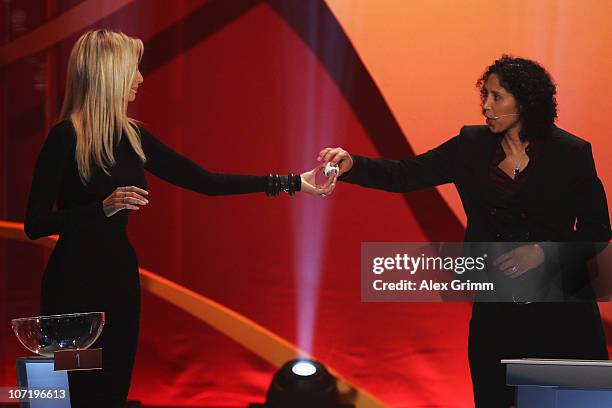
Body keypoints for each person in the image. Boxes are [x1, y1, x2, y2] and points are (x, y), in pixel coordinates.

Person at [23, 29, 335, 408]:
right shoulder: (65, 138)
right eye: (133, 70)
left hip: (118, 283)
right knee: (61, 397)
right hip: (72, 287)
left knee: (109, 393)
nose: (139, 79)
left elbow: (206, 182)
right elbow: (35, 223)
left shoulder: (134, 138)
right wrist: (99, 209)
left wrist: (293, 182)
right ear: (110, 74)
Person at [316, 55, 611, 407]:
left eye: (496, 97)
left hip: (562, 312)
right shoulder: (470, 145)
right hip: (498, 312)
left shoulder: (571, 153)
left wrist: (543, 251)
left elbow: (597, 230)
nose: (485, 106)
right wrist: (353, 164)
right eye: (484, 95)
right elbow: (404, 174)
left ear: (526, 103)